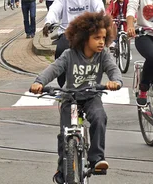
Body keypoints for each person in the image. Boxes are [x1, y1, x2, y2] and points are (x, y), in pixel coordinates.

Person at [30, 12, 122, 184]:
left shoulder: (103, 55)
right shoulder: (69, 54)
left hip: (91, 97)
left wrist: (115, 81)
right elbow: (54, 69)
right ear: (83, 38)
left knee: (100, 117)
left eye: (104, 37)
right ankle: (62, 167)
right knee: (64, 134)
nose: (101, 41)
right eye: (96, 38)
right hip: (70, 98)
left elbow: (113, 69)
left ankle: (96, 159)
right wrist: (39, 82)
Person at [43, 0, 105, 87]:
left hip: (88, 33)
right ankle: (62, 87)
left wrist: (100, 19)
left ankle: (94, 83)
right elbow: (54, 10)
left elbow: (99, 9)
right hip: (68, 33)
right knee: (60, 52)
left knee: (99, 53)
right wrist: (49, 22)